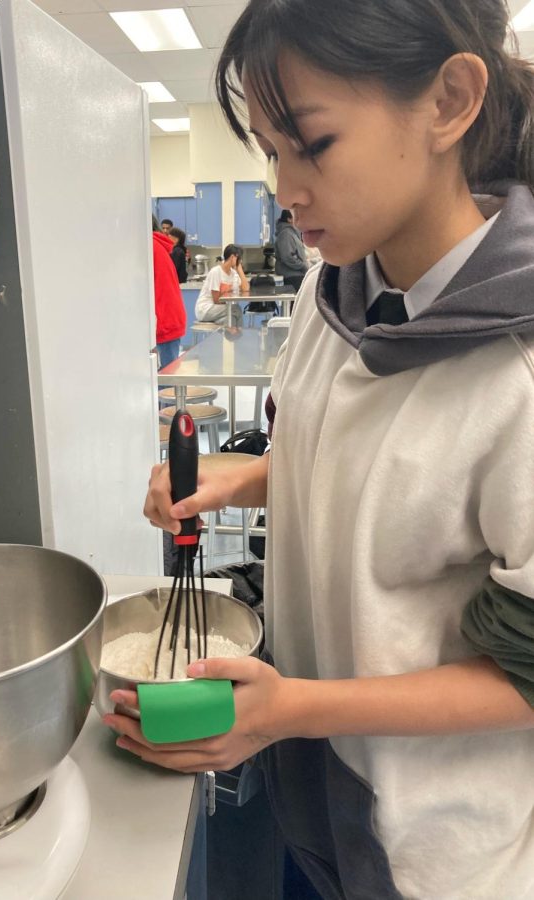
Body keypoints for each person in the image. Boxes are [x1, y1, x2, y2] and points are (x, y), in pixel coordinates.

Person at [105, 2, 534, 898]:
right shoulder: (331, 291)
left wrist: (294, 706)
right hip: (311, 782)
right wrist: (254, 477)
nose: (282, 187)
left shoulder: (515, 373)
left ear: (449, 100)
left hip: (428, 846)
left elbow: (525, 671)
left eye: (312, 144)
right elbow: (389, 476)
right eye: (269, 150)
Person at [151, 216, 185, 369]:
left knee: (167, 382)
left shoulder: (148, 247)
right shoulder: (157, 245)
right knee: (168, 377)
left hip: (164, 321)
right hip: (169, 317)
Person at [194, 244, 250, 326]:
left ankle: (232, 337)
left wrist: (240, 269)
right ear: (232, 257)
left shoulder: (233, 273)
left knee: (230, 319)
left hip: (218, 311)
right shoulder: (216, 272)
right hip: (205, 309)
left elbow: (245, 289)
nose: (240, 261)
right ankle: (240, 337)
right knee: (236, 309)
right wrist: (229, 306)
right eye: (239, 258)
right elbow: (216, 300)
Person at [274, 208, 309, 291]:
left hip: (296, 274)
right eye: (295, 216)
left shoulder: (292, 232)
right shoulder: (286, 234)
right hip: (292, 276)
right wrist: (303, 266)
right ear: (289, 219)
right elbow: (288, 257)